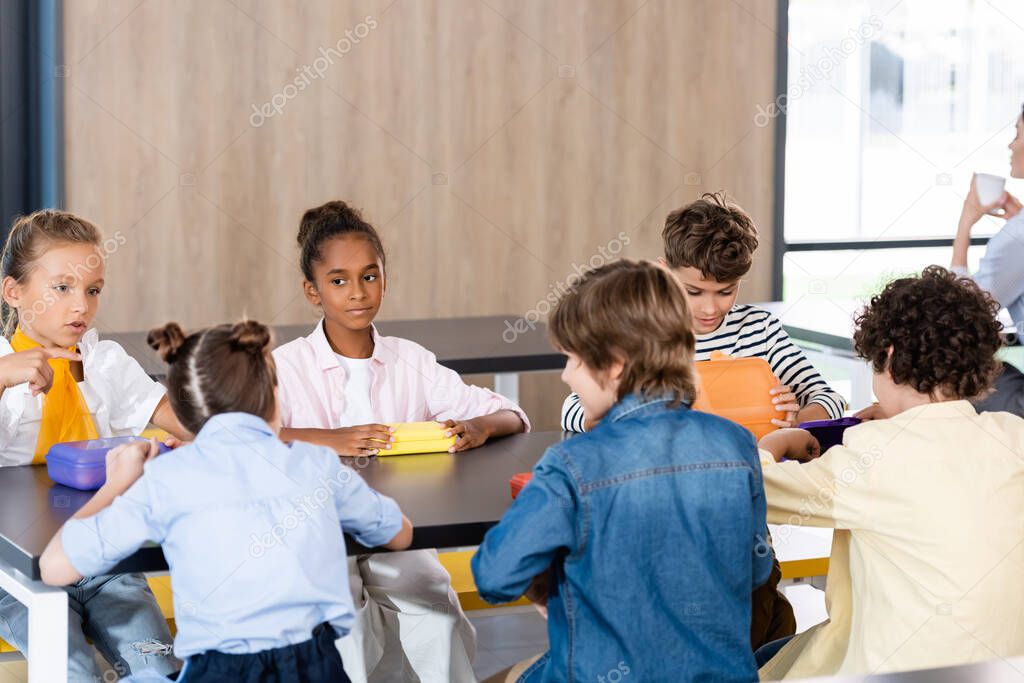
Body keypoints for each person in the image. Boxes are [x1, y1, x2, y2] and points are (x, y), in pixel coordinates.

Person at [39, 319, 413, 682]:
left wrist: (115, 485)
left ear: (185, 411)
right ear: (275, 396)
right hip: (318, 665)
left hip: (219, 670)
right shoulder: (316, 464)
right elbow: (400, 535)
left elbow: (55, 568)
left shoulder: (166, 480)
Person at [475, 259, 772, 682]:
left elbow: (493, 576)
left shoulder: (572, 465)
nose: (566, 375)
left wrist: (549, 578)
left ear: (614, 364)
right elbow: (757, 568)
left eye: (573, 360)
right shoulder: (737, 444)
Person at [272, 200, 530, 682]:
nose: (357, 293)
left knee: (436, 610)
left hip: (398, 531)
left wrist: (480, 427)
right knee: (342, 628)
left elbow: (511, 414)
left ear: (385, 279)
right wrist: (330, 439)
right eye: (338, 280)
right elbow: (245, 439)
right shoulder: (284, 366)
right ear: (312, 291)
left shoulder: (410, 360)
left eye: (370, 276)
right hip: (317, 534)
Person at [758, 266, 1024, 678]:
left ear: (891, 356)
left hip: (897, 670)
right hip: (1006, 667)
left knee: (758, 660)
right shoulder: (1013, 434)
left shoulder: (873, 455)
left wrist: (777, 443)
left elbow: (751, 490)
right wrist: (899, 421)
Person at [0, 210, 190, 680]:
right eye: (61, 288)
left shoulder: (105, 362)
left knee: (157, 668)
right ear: (13, 292)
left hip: (105, 559)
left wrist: (194, 442)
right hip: (14, 573)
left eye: (93, 289)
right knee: (72, 672)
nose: (80, 305)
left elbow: (187, 424)